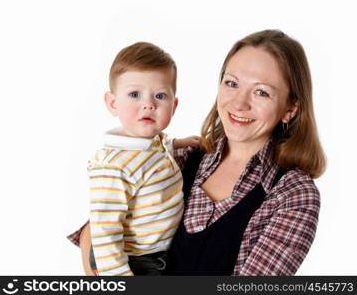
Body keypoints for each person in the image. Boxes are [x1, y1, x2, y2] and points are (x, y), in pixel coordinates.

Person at [69, 30, 325, 276]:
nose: (238, 103)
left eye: (261, 92)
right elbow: (94, 232)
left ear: (290, 108)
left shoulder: (293, 195)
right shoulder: (180, 158)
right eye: (232, 83)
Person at [72, 42, 199, 276]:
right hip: (132, 260)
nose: (148, 104)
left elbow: (156, 150)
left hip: (161, 251)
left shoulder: (151, 143)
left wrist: (176, 144)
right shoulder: (112, 166)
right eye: (134, 94)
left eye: (160, 96)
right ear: (113, 103)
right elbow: (105, 232)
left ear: (174, 105)